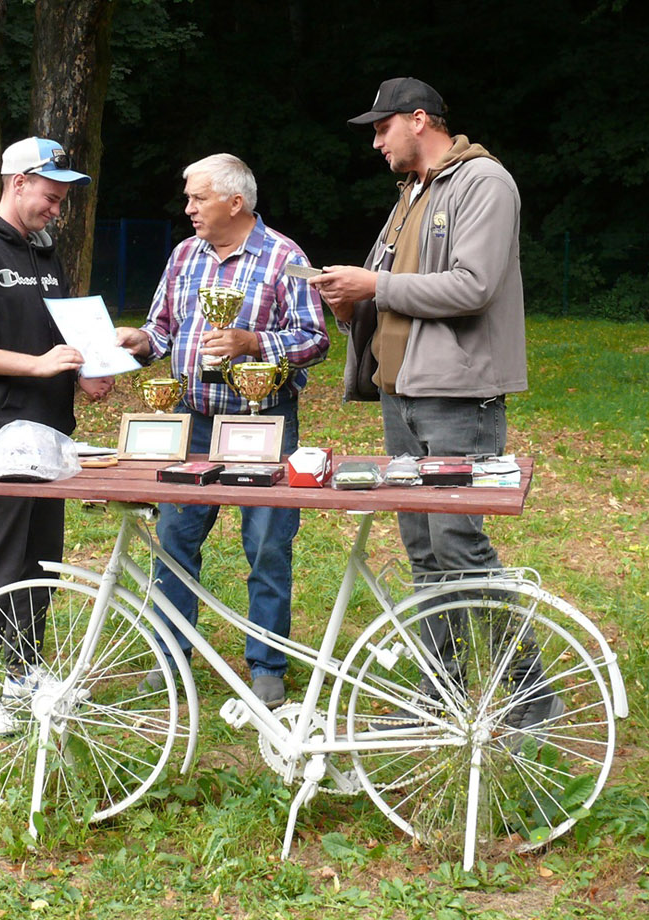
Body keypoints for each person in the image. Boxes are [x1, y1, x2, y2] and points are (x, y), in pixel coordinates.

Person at [310, 78, 561, 736]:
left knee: (459, 543)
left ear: (419, 120)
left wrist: (376, 284)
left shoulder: (485, 183)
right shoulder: (410, 195)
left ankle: (531, 694)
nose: (375, 142)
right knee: (423, 548)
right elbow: (385, 286)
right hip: (402, 393)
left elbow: (473, 286)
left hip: (457, 396)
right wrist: (350, 299)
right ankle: (439, 692)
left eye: (381, 128)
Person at [115, 153, 329, 709]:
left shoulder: (285, 257)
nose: (187, 209)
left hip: (263, 423)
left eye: (197, 198)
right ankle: (169, 655)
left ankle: (266, 663)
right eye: (188, 198)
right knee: (175, 541)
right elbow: (161, 330)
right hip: (191, 423)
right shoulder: (184, 256)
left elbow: (316, 339)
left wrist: (253, 343)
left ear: (235, 202)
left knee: (266, 543)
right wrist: (136, 343)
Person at [0, 136, 113, 735]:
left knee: (41, 560)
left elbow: (70, 337)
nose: (56, 210)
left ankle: (22, 668)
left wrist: (94, 369)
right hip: (0, 433)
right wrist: (35, 365)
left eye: (62, 201)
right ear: (18, 183)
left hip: (53, 434)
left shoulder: (45, 258)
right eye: (51, 196)